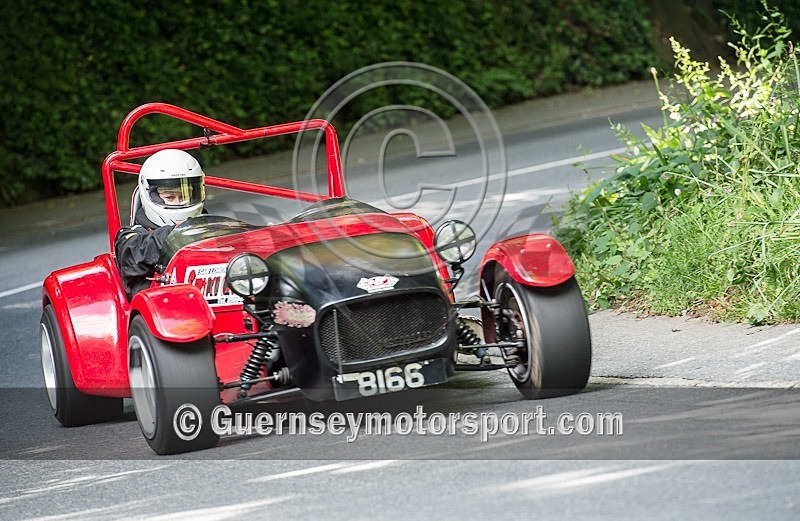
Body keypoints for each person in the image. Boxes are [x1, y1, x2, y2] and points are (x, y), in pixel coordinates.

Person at [115, 149, 205, 298]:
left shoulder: (208, 224)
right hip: (163, 307)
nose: (178, 202)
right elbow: (134, 255)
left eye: (185, 195)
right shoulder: (131, 235)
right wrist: (180, 232)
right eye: (169, 197)